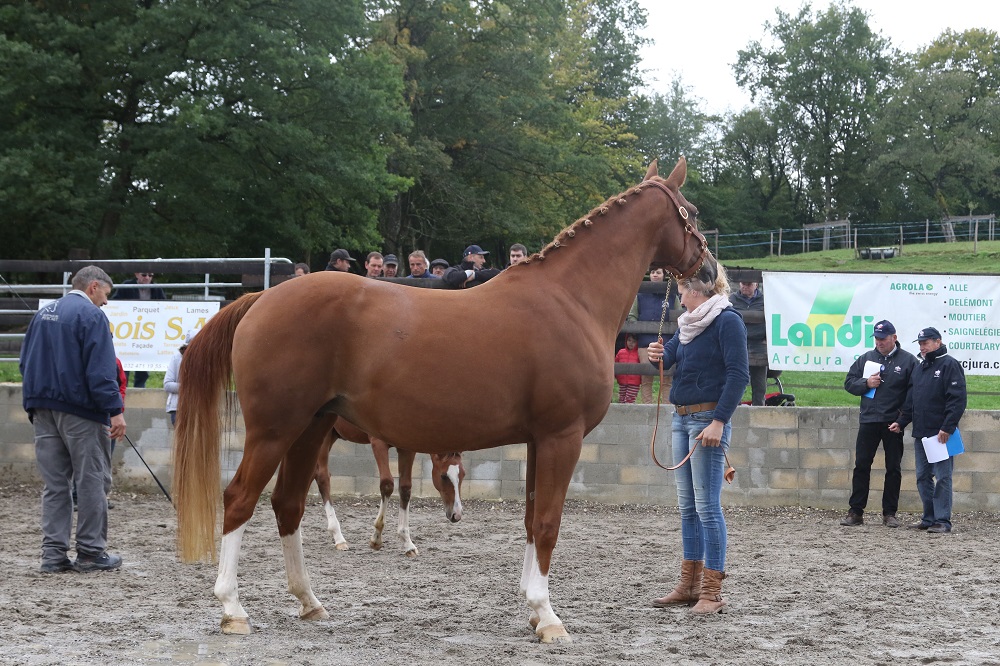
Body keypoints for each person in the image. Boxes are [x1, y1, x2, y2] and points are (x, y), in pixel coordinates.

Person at [646, 262, 749, 615]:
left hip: (707, 420)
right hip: (682, 418)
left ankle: (711, 592)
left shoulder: (727, 320)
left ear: (695, 290)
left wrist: (719, 421)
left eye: (681, 290)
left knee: (707, 508)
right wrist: (656, 356)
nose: (679, 297)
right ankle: (690, 586)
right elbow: (670, 356)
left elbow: (739, 375)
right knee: (689, 507)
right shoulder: (688, 324)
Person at [20, 265, 126, 573]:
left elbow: (25, 362)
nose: (105, 301)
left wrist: (33, 402)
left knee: (55, 484)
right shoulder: (92, 316)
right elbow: (101, 370)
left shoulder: (42, 314)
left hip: (42, 408)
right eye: (105, 294)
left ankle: (52, 555)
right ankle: (91, 552)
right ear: (93, 287)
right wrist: (115, 410)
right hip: (80, 411)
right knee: (92, 480)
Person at [839, 320, 917, 528]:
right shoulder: (866, 358)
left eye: (883, 338)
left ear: (894, 337)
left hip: (893, 422)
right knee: (861, 466)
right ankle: (856, 512)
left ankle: (889, 513)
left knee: (893, 468)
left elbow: (913, 394)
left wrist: (902, 419)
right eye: (876, 338)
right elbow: (849, 383)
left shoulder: (908, 361)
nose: (879, 342)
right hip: (869, 419)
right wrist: (866, 383)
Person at [889, 327, 967, 534]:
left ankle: (942, 520)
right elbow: (912, 400)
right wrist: (902, 421)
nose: (922, 347)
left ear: (938, 342)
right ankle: (929, 517)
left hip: (940, 434)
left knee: (942, 477)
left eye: (926, 343)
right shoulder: (920, 367)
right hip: (921, 433)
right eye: (920, 343)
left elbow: (957, 399)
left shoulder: (950, 365)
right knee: (922, 477)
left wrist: (947, 427)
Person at [627, 267, 676, 404]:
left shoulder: (671, 295)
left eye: (658, 272)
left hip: (667, 344)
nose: (655, 275)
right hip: (645, 343)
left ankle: (666, 406)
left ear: (663, 275)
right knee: (646, 377)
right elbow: (632, 316)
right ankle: (647, 406)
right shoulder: (640, 295)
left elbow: (678, 316)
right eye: (653, 272)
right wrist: (638, 330)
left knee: (667, 378)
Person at [112, 271, 166, 388]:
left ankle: (140, 388)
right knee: (125, 362)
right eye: (144, 275)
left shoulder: (156, 289)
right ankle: (122, 388)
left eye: (150, 275)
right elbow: (115, 302)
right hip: (128, 330)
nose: (147, 278)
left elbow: (164, 306)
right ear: (136, 274)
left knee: (144, 361)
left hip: (148, 330)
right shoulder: (126, 286)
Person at [729, 280, 768, 406]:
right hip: (738, 343)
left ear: (756, 285)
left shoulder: (765, 300)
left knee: (759, 382)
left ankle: (759, 408)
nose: (745, 286)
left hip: (759, 343)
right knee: (737, 378)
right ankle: (736, 408)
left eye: (749, 284)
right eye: (743, 283)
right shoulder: (732, 300)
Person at [165, 330, 196, 426]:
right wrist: (189, 388)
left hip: (199, 410)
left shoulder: (207, 360)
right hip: (178, 409)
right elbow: (167, 385)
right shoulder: (176, 358)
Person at [614, 334, 641, 403]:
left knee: (629, 400)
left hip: (634, 382)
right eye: (629, 340)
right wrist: (617, 376)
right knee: (621, 399)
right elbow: (616, 364)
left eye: (634, 341)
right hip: (622, 381)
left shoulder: (639, 353)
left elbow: (641, 367)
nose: (631, 343)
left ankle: (629, 410)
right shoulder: (621, 352)